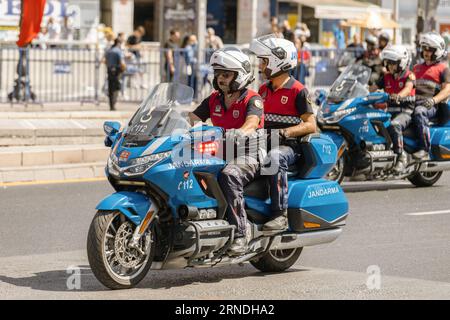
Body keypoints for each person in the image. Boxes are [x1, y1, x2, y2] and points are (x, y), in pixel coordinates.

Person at [188, 47, 264, 254]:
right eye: (218, 74)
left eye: (226, 74)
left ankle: (240, 233)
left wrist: (239, 132)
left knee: (230, 175)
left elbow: (252, 123)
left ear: (240, 75)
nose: (220, 79)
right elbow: (193, 117)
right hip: (220, 152)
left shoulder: (252, 99)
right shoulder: (214, 99)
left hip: (250, 154)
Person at [250, 35, 317, 231]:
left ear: (277, 62)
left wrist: (285, 133)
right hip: (262, 142)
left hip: (289, 147)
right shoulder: (262, 90)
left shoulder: (298, 91)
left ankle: (280, 214)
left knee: (275, 158)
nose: (260, 66)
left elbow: (311, 125)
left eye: (264, 61)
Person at [370, 45, 416, 173]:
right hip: (389, 112)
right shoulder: (386, 77)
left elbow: (408, 89)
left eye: (392, 63)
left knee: (395, 125)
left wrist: (399, 96)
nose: (389, 66)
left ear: (401, 62)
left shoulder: (409, 75)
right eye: (387, 63)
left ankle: (402, 156)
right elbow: (371, 88)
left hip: (405, 112)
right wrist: (357, 93)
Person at [412, 32, 450, 160]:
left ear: (438, 51)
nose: (426, 52)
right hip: (413, 101)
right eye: (424, 49)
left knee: (419, 112)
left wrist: (433, 100)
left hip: (431, 106)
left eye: (430, 50)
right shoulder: (416, 67)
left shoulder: (443, 68)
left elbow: (447, 90)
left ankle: (424, 149)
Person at [104, 38, 126, 111]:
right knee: (117, 87)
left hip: (109, 70)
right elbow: (121, 62)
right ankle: (113, 104)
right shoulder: (118, 51)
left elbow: (105, 61)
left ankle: (111, 105)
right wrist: (123, 69)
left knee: (110, 88)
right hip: (116, 71)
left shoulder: (109, 51)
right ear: (119, 43)